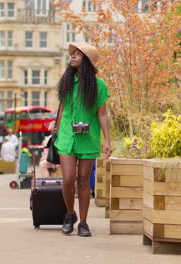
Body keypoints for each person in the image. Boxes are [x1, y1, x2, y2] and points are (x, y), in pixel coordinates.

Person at [54, 43, 112, 237]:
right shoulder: (67, 81)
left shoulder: (99, 85)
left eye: (78, 54)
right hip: (66, 137)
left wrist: (108, 141)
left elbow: (102, 114)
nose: (73, 56)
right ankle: (70, 214)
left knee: (83, 181)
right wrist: (55, 128)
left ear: (86, 61)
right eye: (73, 53)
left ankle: (84, 223)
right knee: (68, 178)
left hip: (88, 137)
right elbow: (62, 108)